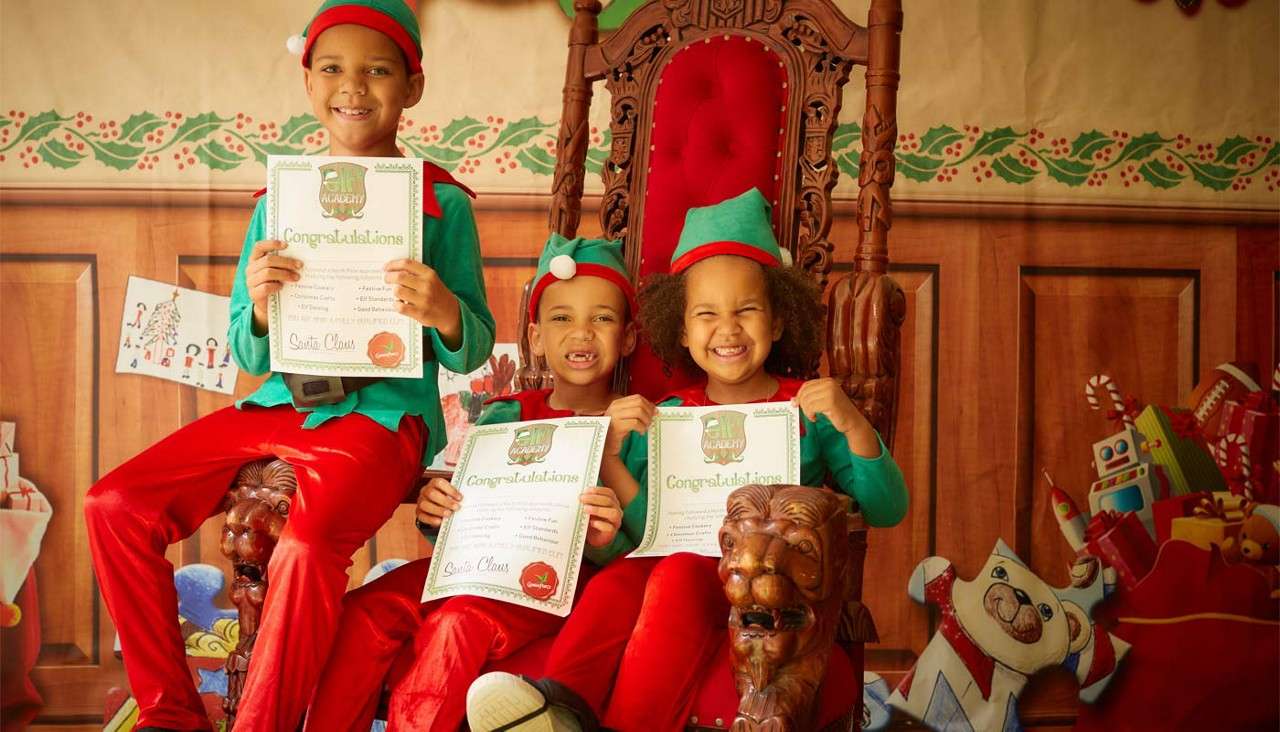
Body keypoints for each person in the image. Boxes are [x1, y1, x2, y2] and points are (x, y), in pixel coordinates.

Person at [83, 2, 494, 729]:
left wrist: (444, 312)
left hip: (381, 416)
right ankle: (170, 712)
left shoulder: (442, 205)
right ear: (308, 83)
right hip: (277, 404)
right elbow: (246, 349)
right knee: (112, 505)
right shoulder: (279, 203)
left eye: (378, 70)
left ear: (413, 88)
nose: (354, 87)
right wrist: (264, 306)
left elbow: (477, 341)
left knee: (304, 548)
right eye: (332, 69)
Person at [468, 187, 908, 731]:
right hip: (668, 567)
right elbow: (643, 530)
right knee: (617, 583)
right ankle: (559, 707)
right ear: (681, 328)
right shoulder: (667, 415)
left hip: (763, 587)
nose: (727, 329)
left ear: (777, 321)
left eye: (746, 310)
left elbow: (886, 509)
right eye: (706, 314)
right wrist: (609, 460)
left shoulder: (807, 407)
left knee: (673, 574)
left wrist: (852, 421)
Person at [304, 234, 642, 731]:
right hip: (476, 568)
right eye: (562, 318)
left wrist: (609, 539)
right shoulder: (506, 415)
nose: (581, 334)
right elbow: (468, 515)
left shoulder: (635, 425)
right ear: (534, 336)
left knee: (457, 624)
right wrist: (438, 513)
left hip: (554, 583)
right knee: (363, 612)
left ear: (629, 338)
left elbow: (642, 549)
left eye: (603, 318)